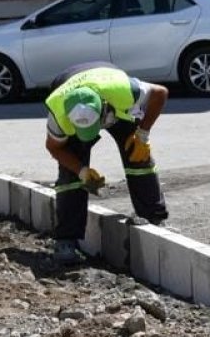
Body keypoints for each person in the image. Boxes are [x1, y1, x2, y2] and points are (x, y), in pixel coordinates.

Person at [44, 63, 169, 264]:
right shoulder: (59, 113)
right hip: (67, 85)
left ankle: (154, 218)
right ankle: (66, 240)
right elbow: (54, 147)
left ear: (103, 106)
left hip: (108, 85)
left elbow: (160, 93)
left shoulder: (122, 91)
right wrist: (82, 170)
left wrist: (143, 134)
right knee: (70, 171)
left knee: (137, 154)